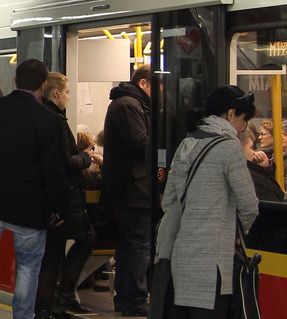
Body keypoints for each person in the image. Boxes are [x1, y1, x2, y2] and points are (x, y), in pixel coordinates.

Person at [0, 59, 69, 319]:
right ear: (43, 85)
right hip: (30, 209)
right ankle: (22, 316)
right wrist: (60, 207)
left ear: (16, 81)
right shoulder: (48, 121)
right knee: (29, 267)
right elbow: (54, 171)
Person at [156, 85, 260, 318]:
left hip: (181, 256)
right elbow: (249, 205)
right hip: (213, 264)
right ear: (231, 114)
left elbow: (169, 200)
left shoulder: (187, 143)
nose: (243, 128)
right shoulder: (229, 147)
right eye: (244, 121)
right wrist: (238, 231)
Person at [35, 72, 98, 318]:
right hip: (64, 197)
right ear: (56, 93)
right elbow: (64, 161)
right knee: (82, 240)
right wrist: (86, 157)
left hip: (49, 197)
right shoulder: (56, 121)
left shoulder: (41, 116)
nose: (70, 97)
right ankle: (57, 301)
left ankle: (48, 305)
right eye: (68, 92)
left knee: (52, 253)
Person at [101, 65, 154, 317]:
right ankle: (133, 299)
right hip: (133, 189)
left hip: (133, 187)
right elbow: (140, 142)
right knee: (137, 246)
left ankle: (126, 298)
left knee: (131, 246)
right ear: (143, 83)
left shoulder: (132, 105)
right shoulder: (129, 106)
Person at [243, 130, 285, 201]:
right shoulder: (250, 178)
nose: (253, 152)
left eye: (263, 134)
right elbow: (275, 197)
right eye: (250, 148)